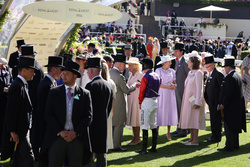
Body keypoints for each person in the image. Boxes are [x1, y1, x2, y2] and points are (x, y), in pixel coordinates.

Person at [40, 61, 93, 166]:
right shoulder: (54, 92)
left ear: (75, 76)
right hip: (57, 137)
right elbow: (48, 114)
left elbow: (88, 116)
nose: (63, 76)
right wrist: (60, 131)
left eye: (67, 74)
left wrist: (76, 133)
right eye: (63, 73)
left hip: (76, 138)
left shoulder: (85, 94)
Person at [1, 56, 37, 166]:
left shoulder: (21, 84)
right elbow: (11, 110)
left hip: (23, 129)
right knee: (28, 159)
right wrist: (12, 131)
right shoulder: (17, 86)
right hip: (19, 131)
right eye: (32, 71)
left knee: (21, 159)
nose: (34, 74)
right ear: (24, 70)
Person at [33, 56, 63, 162]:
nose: (62, 72)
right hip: (44, 126)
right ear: (53, 69)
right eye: (60, 69)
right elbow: (47, 109)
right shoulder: (47, 85)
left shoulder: (49, 82)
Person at [85, 57, 113, 167]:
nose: (87, 72)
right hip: (103, 122)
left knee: (90, 151)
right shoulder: (108, 85)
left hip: (91, 124)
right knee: (102, 152)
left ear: (91, 70)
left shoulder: (90, 86)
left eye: (88, 70)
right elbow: (109, 106)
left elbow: (86, 107)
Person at [218, 56, 246, 151]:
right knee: (234, 127)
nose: (224, 69)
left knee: (229, 126)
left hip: (230, 106)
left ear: (228, 67)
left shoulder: (230, 77)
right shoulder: (237, 75)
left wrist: (223, 104)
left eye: (225, 67)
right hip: (236, 106)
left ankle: (230, 146)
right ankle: (235, 145)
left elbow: (228, 93)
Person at [109, 55, 137, 152]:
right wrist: (134, 85)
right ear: (120, 64)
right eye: (124, 65)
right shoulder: (119, 76)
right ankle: (116, 146)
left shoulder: (109, 72)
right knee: (118, 125)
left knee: (112, 125)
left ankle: (111, 144)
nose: (125, 67)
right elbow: (126, 90)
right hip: (119, 103)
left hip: (111, 103)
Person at [179, 51, 205, 145]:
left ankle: (195, 140)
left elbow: (199, 88)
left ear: (193, 62)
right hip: (189, 99)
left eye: (189, 61)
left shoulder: (198, 73)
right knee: (190, 118)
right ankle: (191, 139)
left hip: (194, 99)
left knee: (194, 119)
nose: (188, 63)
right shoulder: (190, 72)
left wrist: (197, 101)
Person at [136, 57, 161, 154]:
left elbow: (141, 92)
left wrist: (139, 102)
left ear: (145, 66)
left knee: (144, 125)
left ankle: (144, 149)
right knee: (153, 124)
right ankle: (154, 147)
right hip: (154, 101)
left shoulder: (145, 77)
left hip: (146, 102)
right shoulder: (157, 76)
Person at [155, 56, 178, 141]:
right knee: (160, 110)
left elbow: (175, 82)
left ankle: (168, 133)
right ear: (164, 62)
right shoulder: (158, 71)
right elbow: (158, 84)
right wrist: (168, 87)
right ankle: (156, 132)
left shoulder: (172, 71)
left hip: (170, 94)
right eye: (169, 62)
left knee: (169, 111)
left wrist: (174, 86)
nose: (171, 63)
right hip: (162, 93)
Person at [204, 54, 224, 143]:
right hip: (211, 102)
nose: (207, 68)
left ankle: (217, 136)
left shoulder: (218, 74)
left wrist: (220, 102)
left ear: (212, 65)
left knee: (216, 120)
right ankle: (213, 135)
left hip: (216, 102)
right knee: (213, 119)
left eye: (208, 66)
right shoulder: (210, 74)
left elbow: (221, 90)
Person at [172, 43, 190, 137]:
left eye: (176, 51)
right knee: (178, 109)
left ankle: (183, 129)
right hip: (178, 89)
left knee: (182, 110)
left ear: (181, 52)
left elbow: (189, 76)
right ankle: (179, 127)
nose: (175, 52)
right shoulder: (178, 61)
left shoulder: (185, 62)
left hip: (183, 90)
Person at [126, 57, 143, 145]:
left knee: (136, 118)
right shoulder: (131, 74)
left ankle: (137, 138)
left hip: (136, 99)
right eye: (128, 65)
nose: (128, 67)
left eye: (130, 65)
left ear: (135, 66)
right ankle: (135, 137)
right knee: (133, 118)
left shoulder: (139, 75)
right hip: (131, 99)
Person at [101, 62, 117, 150]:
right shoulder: (111, 82)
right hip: (108, 110)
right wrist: (112, 110)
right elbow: (113, 98)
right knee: (107, 131)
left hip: (100, 110)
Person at [0, 58, 13, 151]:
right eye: (3, 65)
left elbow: (11, 79)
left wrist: (9, 86)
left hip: (6, 102)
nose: (5, 67)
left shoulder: (7, 69)